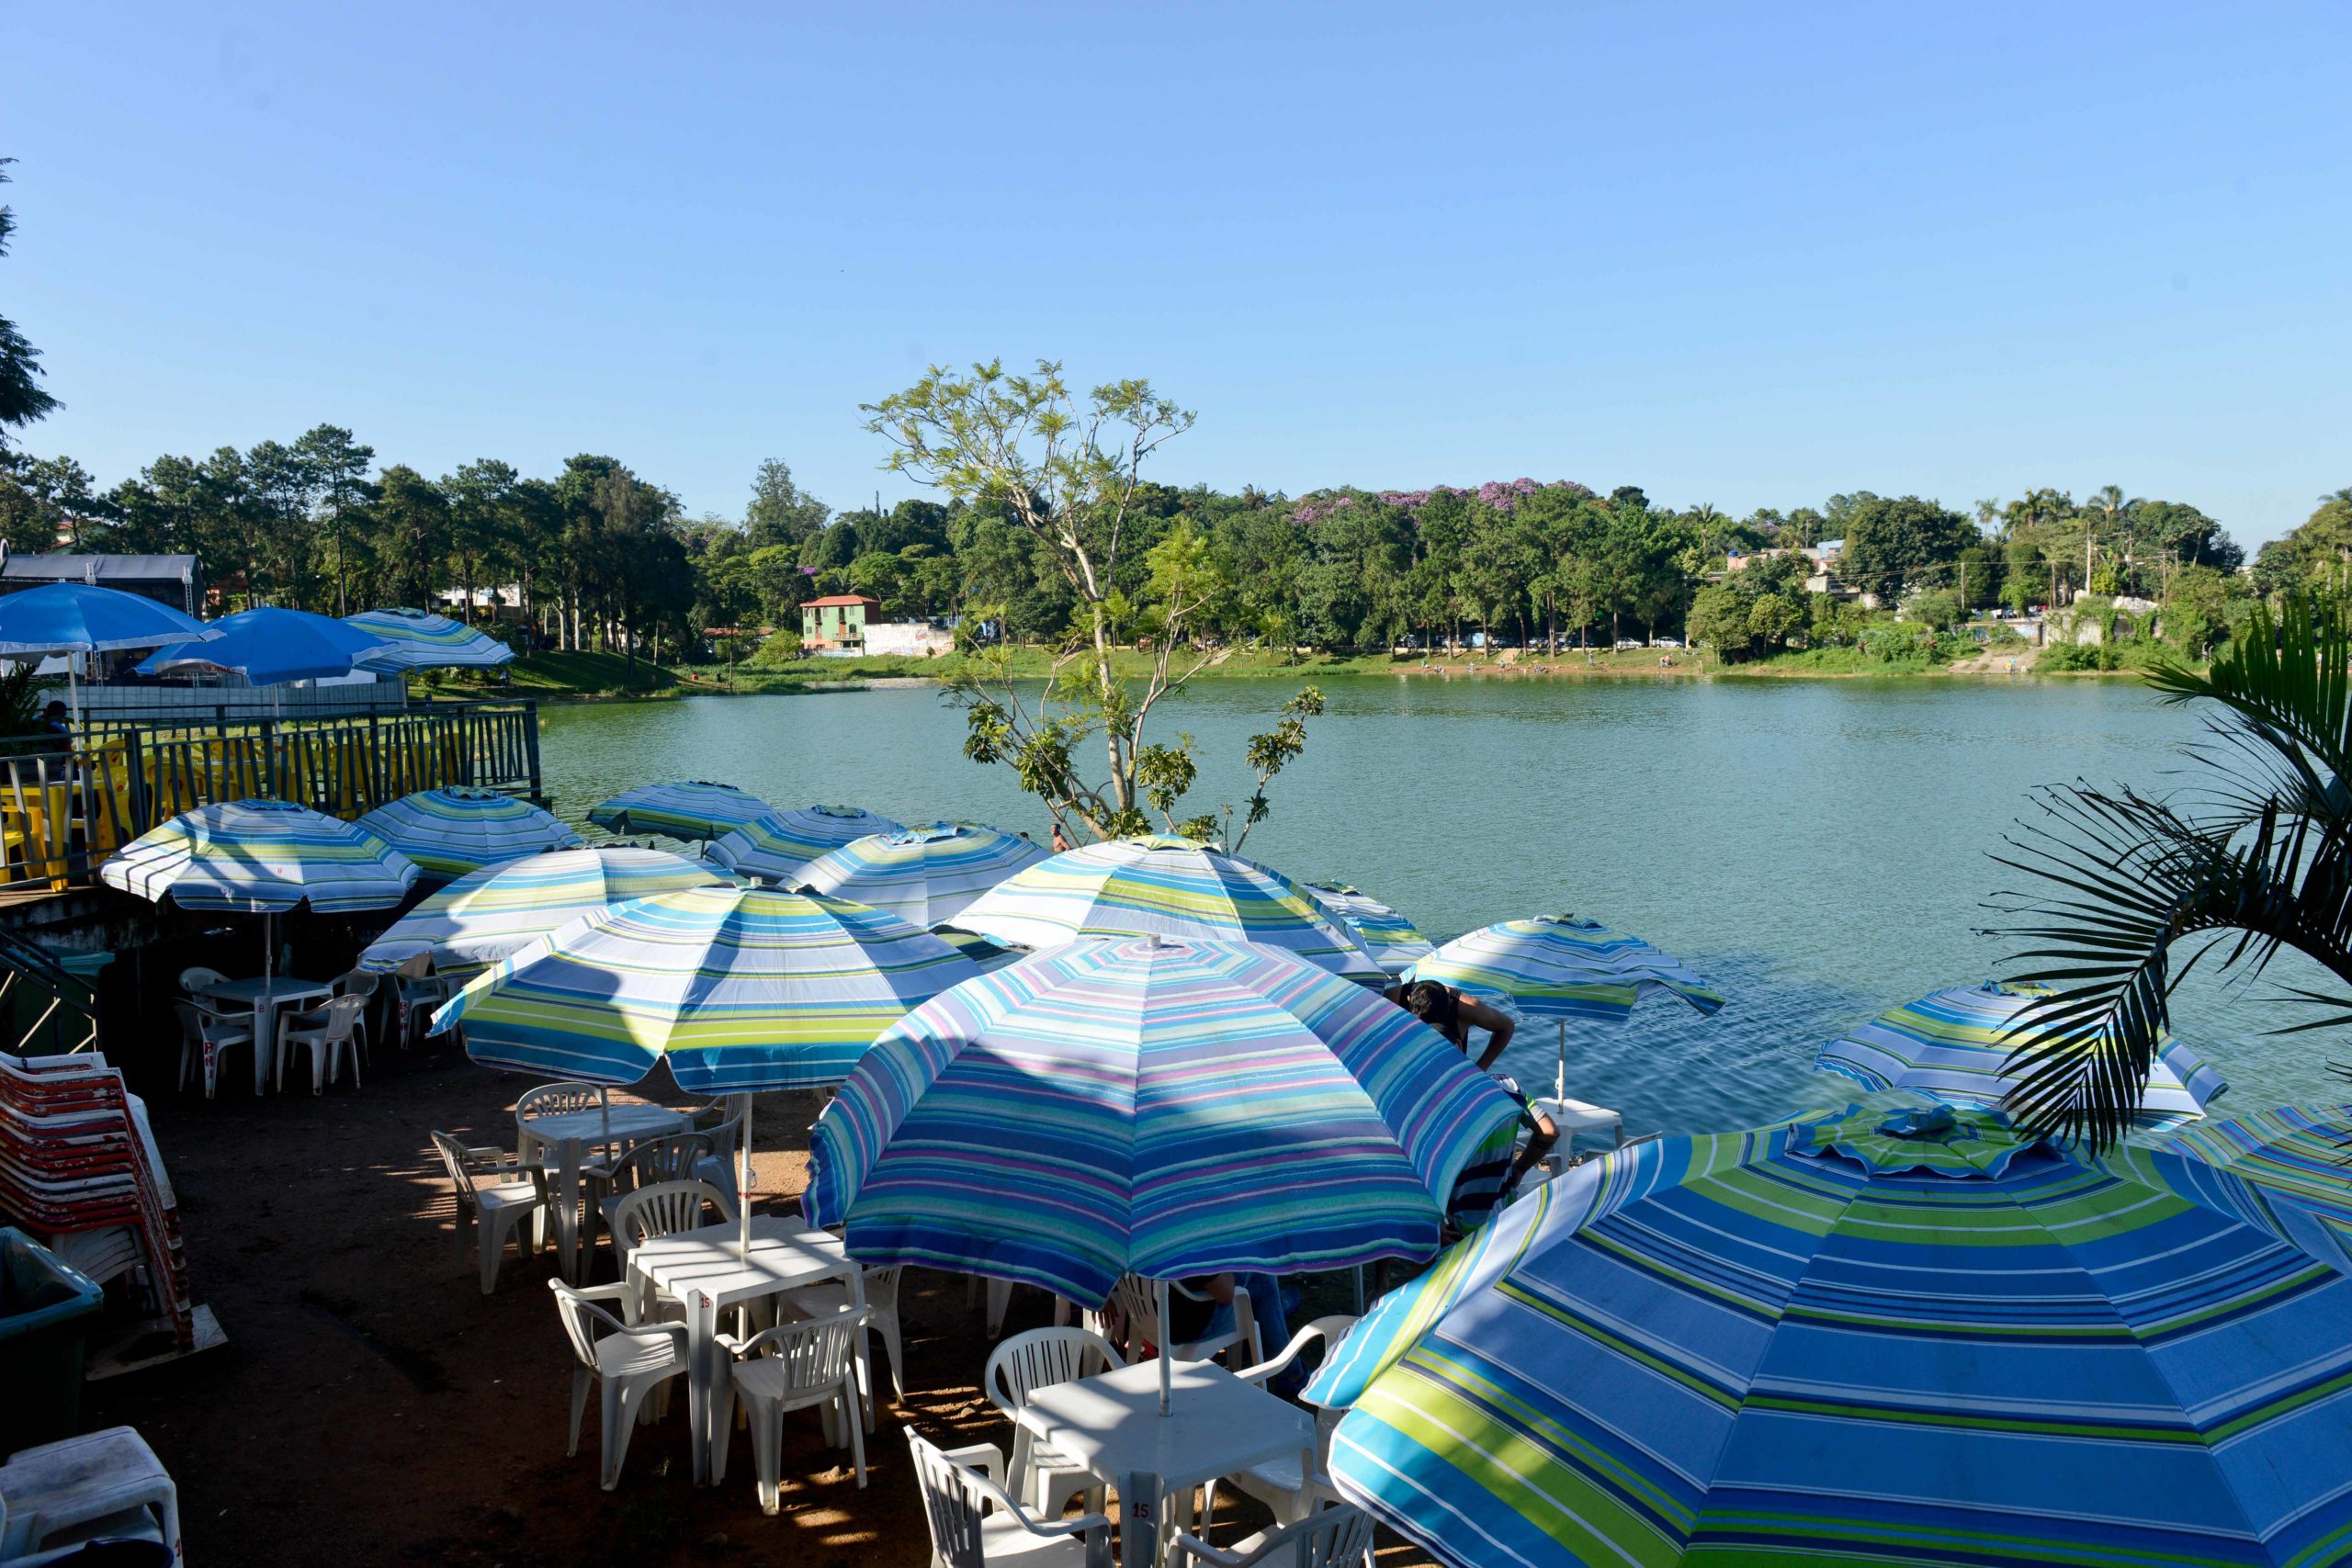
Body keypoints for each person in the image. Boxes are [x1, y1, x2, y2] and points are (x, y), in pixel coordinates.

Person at [1387, 978, 1559, 1194]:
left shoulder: (1419, 1105)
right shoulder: (1509, 1087)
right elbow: (1549, 1132)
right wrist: (1519, 1169)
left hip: (1451, 1206)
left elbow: (1506, 1026)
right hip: (1498, 1201)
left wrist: (1479, 1069)